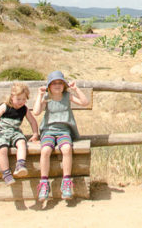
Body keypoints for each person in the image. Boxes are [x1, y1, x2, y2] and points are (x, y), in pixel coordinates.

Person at [32, 70, 90, 200]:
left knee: (66, 148)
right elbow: (36, 112)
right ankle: (44, 182)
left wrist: (76, 89)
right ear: (49, 86)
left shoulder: (67, 96)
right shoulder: (47, 97)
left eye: (60, 83)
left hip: (64, 130)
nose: (57, 85)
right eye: (53, 83)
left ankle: (67, 182)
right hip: (48, 130)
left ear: (64, 85)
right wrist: (39, 95)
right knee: (45, 150)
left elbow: (85, 102)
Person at [0, 82, 40, 186]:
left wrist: (35, 134)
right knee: (2, 149)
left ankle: (20, 164)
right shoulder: (5, 107)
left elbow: (32, 121)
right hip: (1, 132)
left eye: (24, 99)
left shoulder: (24, 109)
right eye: (19, 99)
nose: (21, 102)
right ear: (12, 97)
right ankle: (6, 173)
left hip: (14, 132)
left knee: (21, 142)